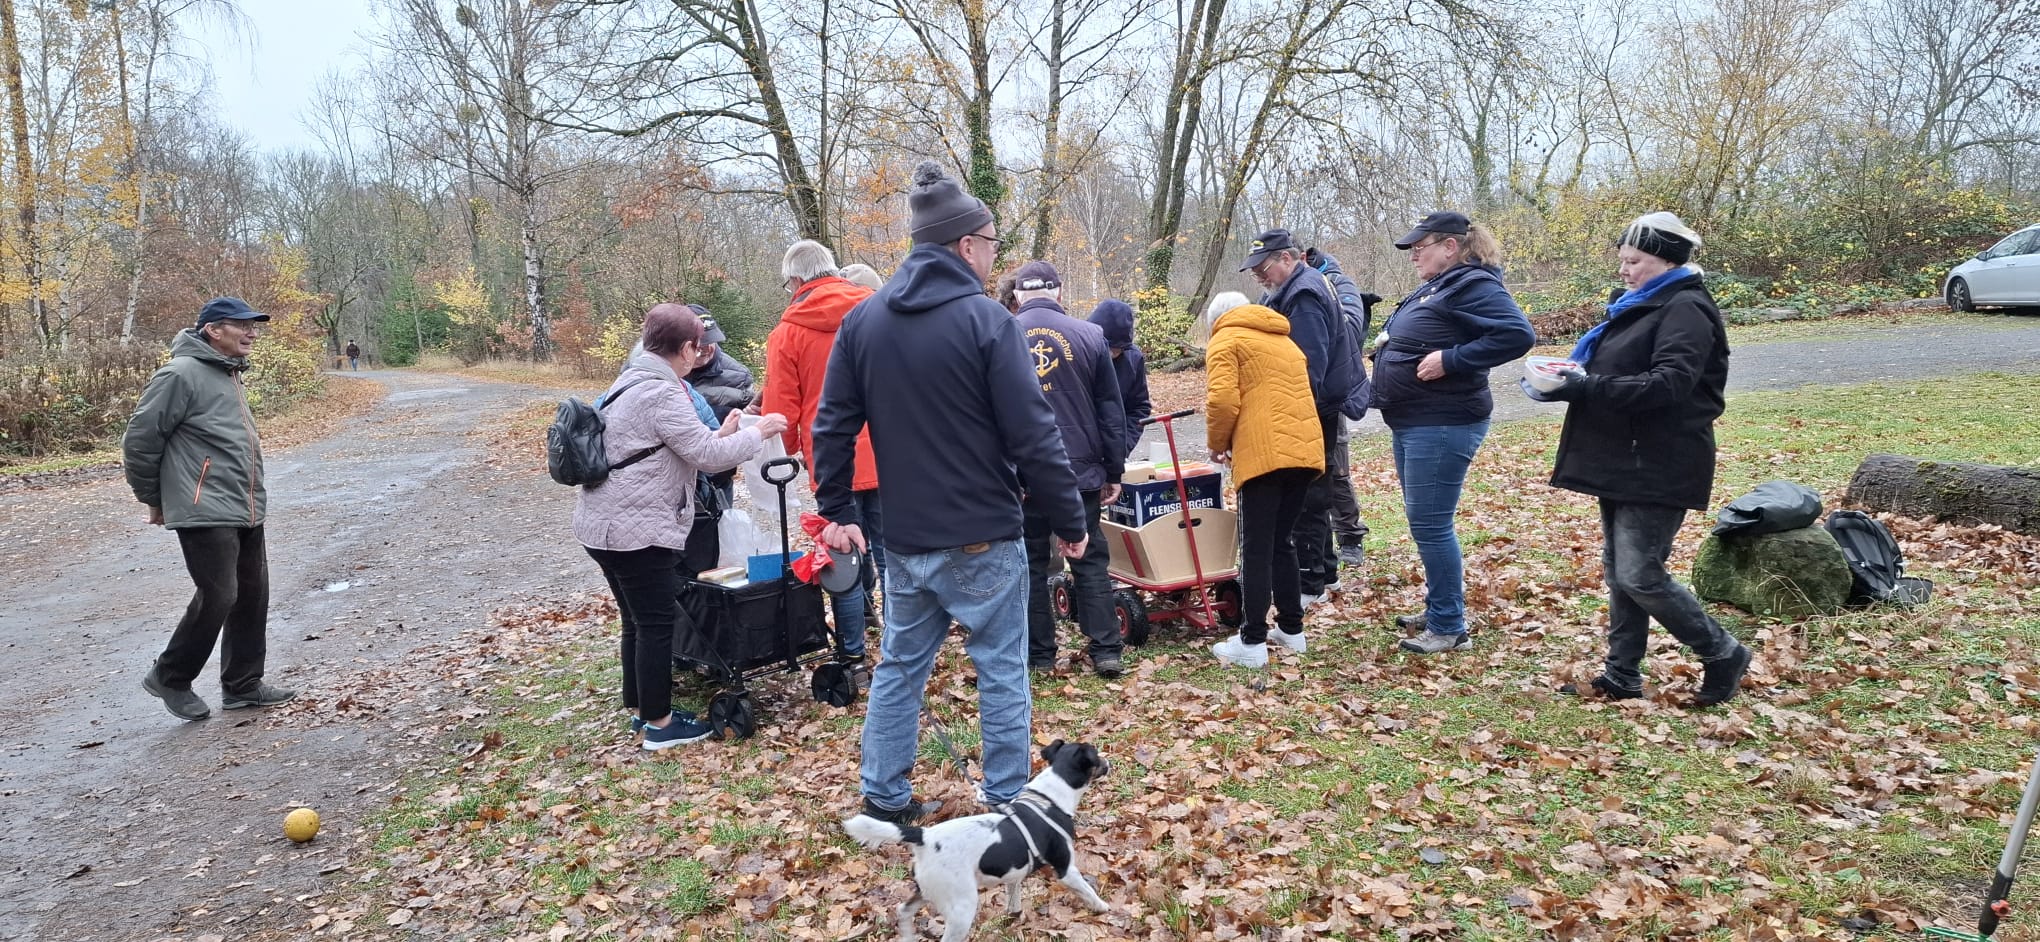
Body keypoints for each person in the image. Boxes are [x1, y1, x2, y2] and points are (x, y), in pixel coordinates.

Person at [819, 160, 1088, 825]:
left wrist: (837, 509)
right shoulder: (986, 321)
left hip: (907, 537)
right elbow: (1034, 434)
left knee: (900, 667)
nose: (995, 259)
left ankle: (882, 800)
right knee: (1000, 669)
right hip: (981, 535)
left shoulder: (864, 322)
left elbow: (832, 423)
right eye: (992, 245)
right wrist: (1071, 519)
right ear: (966, 245)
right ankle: (1006, 804)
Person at [1533, 212, 1751, 706]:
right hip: (1623, 455)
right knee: (1620, 572)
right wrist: (1569, 381)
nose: (1624, 270)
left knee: (1639, 574)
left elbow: (1670, 384)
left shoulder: (1686, 309)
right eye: (1622, 260)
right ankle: (1622, 674)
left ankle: (1723, 652)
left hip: (1660, 459)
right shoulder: (1639, 305)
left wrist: (1588, 386)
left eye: (1634, 261)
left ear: (1666, 261)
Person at [576, 303, 789, 749]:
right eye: (698, 345)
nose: (701, 352)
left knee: (636, 621)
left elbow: (685, 444)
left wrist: (728, 431)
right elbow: (708, 458)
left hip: (602, 524)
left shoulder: (629, 380)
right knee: (656, 624)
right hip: (636, 530)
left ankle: (640, 711)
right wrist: (760, 431)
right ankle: (660, 725)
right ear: (688, 348)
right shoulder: (663, 391)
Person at [124, 297, 297, 721]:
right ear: (213, 330)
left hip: (244, 502)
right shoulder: (180, 373)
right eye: (242, 325)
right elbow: (140, 440)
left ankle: (243, 685)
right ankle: (170, 676)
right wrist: (153, 498)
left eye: (254, 326)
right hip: (203, 504)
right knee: (220, 594)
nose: (252, 333)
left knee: (252, 593)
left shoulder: (228, 372)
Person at [1373, 211, 1536, 655]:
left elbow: (1517, 335)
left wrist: (1452, 360)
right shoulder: (1443, 284)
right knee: (1425, 522)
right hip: (1416, 419)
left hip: (1443, 421)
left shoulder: (1474, 285)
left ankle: (1449, 626)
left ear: (1450, 246)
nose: (1413, 256)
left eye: (1419, 248)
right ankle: (1440, 607)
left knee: (1431, 524)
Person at [764, 239, 881, 686]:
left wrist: (792, 446)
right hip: (890, 451)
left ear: (795, 280)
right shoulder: (876, 311)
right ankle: (906, 647)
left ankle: (853, 655)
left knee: (841, 555)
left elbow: (781, 406)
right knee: (894, 554)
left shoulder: (787, 332)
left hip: (833, 458)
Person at [1011, 260, 1128, 678]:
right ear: (1059, 292)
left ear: (1018, 296)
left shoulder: (1001, 335)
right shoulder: (1091, 335)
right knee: (1089, 556)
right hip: (1079, 471)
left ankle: (1039, 655)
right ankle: (1106, 649)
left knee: (1030, 562)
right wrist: (1114, 471)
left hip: (1023, 473)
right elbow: (1110, 411)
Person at [1197, 292, 1325, 668]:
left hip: (1263, 454)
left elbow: (1222, 401)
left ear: (1216, 320)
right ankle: (1291, 629)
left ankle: (1251, 640)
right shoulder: (1285, 340)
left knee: (1255, 547)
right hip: (1305, 453)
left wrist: (1217, 444)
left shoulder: (1226, 338)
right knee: (1282, 541)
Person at [1243, 228, 1359, 610]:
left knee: (1308, 496)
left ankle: (1311, 583)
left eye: (1263, 268)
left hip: (1311, 407)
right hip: (1311, 405)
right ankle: (1325, 572)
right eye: (1254, 271)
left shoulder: (1304, 294)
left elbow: (1309, 365)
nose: (1259, 276)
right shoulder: (1294, 287)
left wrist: (1286, 412)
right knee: (1314, 489)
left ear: (1287, 258)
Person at [1303, 247, 1378, 569]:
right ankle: (1317, 545)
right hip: (1302, 393)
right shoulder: (1290, 287)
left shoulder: (1335, 283)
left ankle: (1350, 536)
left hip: (1331, 392)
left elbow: (1347, 331)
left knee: (1336, 468)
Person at [1087, 298, 1152, 457]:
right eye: (1110, 348)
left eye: (1119, 349)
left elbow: (1139, 408)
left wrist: (1123, 447)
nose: (1114, 353)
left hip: (1114, 449)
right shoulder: (1079, 353)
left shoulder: (1133, 359)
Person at [681, 307, 756, 420]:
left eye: (711, 340)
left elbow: (748, 422)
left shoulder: (739, 378)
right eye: (700, 343)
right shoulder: (662, 370)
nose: (707, 349)